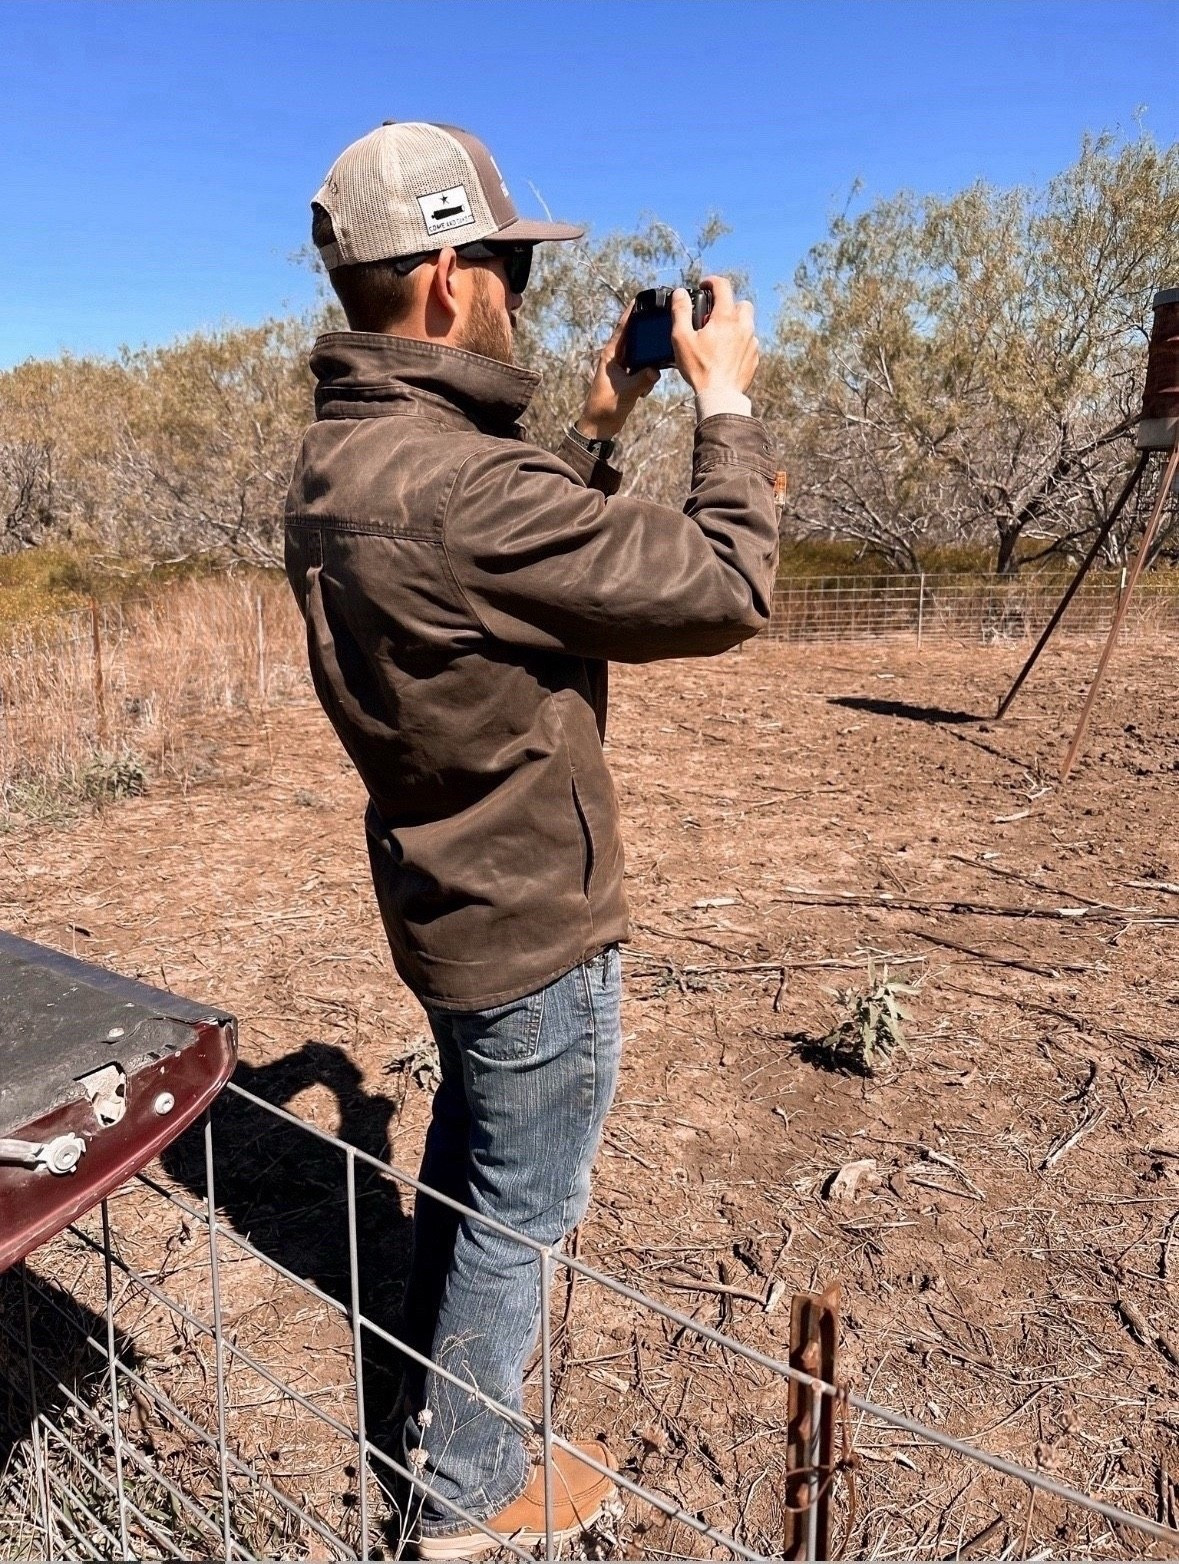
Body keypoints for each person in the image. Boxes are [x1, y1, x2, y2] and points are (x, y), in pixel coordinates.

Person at [285, 120, 779, 1560]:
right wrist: (726, 413)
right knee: (523, 1209)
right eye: (503, 260)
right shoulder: (461, 486)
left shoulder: (345, 459)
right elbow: (725, 589)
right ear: (447, 276)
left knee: (473, 1158)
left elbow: (492, 546)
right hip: (534, 913)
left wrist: (604, 427)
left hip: (443, 889)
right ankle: (466, 1499)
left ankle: (445, 1417)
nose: (518, 286)